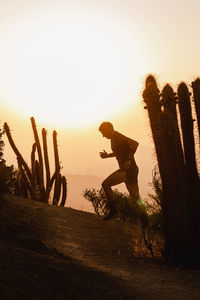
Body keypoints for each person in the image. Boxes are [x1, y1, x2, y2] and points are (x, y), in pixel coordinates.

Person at [99, 121, 140, 220]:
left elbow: (135, 144)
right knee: (135, 199)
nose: (103, 136)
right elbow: (117, 152)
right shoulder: (113, 139)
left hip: (128, 171)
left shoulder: (118, 137)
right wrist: (107, 155)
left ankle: (114, 211)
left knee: (105, 184)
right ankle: (143, 221)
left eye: (103, 133)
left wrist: (129, 159)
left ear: (109, 129)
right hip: (129, 170)